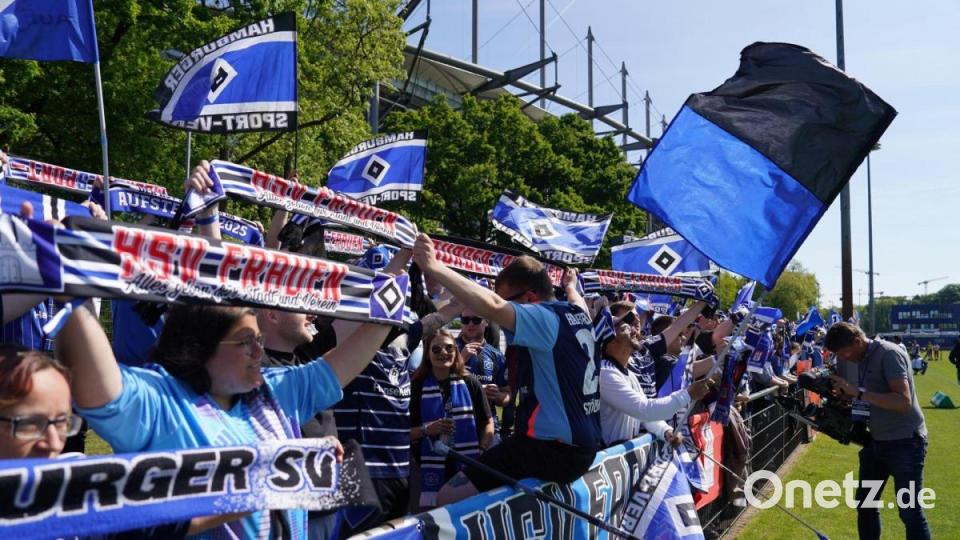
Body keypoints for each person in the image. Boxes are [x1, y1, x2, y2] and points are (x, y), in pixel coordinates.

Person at [53, 161, 411, 539]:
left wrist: (385, 312)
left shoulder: (271, 390)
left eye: (258, 339)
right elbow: (93, 381)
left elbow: (340, 365)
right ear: (200, 347)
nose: (259, 351)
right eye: (246, 342)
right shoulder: (161, 401)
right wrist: (70, 279)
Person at [413, 234, 603, 506]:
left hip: (550, 448)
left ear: (529, 297)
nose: (500, 320)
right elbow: (577, 298)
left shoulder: (543, 317)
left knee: (448, 495)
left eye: (511, 304)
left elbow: (492, 305)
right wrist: (571, 285)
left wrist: (433, 266)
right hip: (585, 448)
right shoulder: (577, 312)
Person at [0, 344, 246, 538]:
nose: (54, 443)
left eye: (62, 423)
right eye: (30, 424)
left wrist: (260, 485)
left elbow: (155, 522)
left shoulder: (68, 487)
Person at [825, 322, 930, 540]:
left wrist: (859, 392)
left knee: (909, 511)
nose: (843, 358)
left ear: (857, 341)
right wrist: (848, 397)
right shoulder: (863, 356)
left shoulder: (888, 353)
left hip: (905, 442)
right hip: (878, 441)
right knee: (866, 504)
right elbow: (874, 395)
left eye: (843, 353)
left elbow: (903, 401)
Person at [410, 330, 493, 509]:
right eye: (436, 349)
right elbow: (402, 433)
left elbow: (488, 423)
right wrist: (427, 430)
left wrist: (480, 450)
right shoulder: (415, 386)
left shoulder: (470, 382)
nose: (443, 353)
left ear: (456, 352)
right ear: (427, 354)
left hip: (467, 464)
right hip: (424, 467)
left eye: (449, 348)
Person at [599, 323, 712, 446]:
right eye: (624, 328)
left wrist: (666, 431)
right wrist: (688, 394)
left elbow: (643, 417)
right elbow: (645, 409)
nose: (633, 330)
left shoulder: (628, 374)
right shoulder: (605, 373)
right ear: (609, 342)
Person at [456, 309, 509, 440]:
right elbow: (436, 384)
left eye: (476, 320)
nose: (470, 324)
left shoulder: (496, 355)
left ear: (486, 321)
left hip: (487, 426)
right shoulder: (448, 348)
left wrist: (497, 396)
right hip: (455, 425)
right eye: (465, 320)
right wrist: (461, 360)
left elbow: (507, 395)